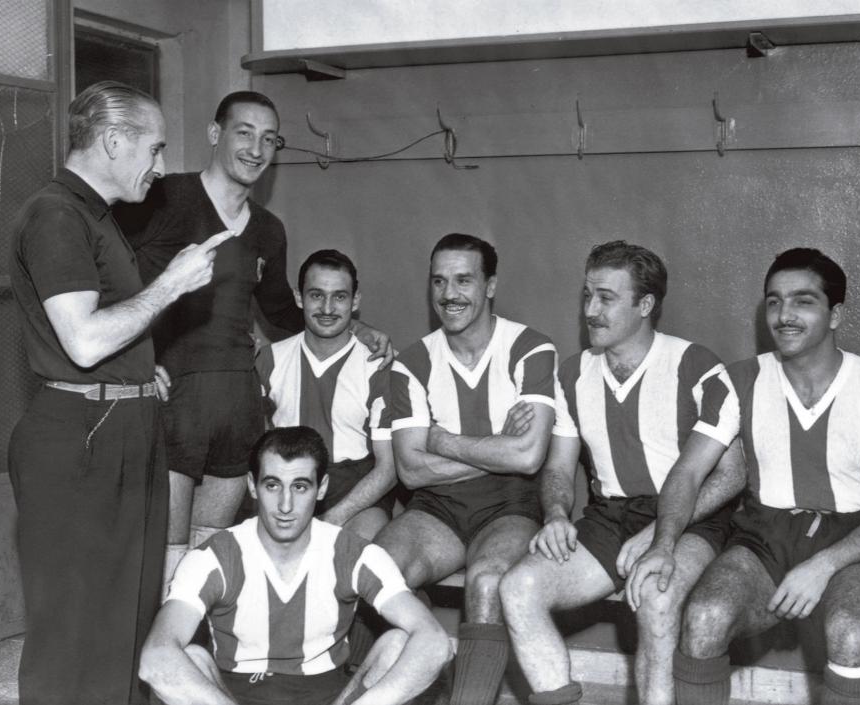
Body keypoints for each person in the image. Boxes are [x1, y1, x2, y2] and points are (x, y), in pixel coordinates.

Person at [8, 81, 231, 705]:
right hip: (79, 438)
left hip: (119, 425)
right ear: (112, 141)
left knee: (126, 618)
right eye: (154, 149)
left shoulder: (95, 216)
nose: (161, 168)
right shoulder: (57, 214)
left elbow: (104, 329)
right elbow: (80, 342)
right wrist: (172, 285)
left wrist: (136, 368)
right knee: (75, 627)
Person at [113, 92, 392, 587]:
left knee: (207, 549)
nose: (256, 148)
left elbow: (284, 310)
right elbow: (108, 277)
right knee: (169, 551)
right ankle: (154, 659)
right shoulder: (164, 198)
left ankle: (199, 655)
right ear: (215, 134)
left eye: (269, 139)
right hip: (175, 395)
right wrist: (133, 359)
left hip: (236, 402)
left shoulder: (268, 229)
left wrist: (357, 326)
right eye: (244, 132)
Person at [631, 247, 860, 705]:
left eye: (803, 301)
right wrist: (663, 545)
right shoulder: (738, 380)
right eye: (773, 301)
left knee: (850, 632)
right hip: (764, 536)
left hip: (852, 541)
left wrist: (823, 565)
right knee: (704, 617)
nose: (784, 314)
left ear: (835, 314)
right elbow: (688, 471)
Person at [498, 241, 745, 705]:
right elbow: (557, 467)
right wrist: (554, 514)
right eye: (587, 295)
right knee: (518, 587)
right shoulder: (572, 376)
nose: (590, 309)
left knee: (655, 596)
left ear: (645, 304)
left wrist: (659, 534)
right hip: (610, 517)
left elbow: (731, 476)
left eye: (606, 298)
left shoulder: (696, 367)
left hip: (692, 518)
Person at [138, 426, 452, 705]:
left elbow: (434, 642)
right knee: (189, 659)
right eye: (272, 485)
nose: (285, 505)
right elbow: (155, 659)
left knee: (397, 644)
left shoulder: (354, 553)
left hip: (331, 698)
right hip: (232, 696)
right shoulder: (214, 558)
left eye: (300, 486)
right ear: (251, 486)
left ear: (322, 487)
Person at [377, 233, 556, 705]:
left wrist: (443, 440)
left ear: (490, 285)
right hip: (436, 507)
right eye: (439, 281)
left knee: (487, 581)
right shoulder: (412, 363)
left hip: (510, 505)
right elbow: (412, 471)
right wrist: (498, 446)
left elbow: (528, 459)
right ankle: (424, 669)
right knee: (378, 570)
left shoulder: (531, 348)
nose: (449, 294)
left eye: (463, 280)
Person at [255, 250, 396, 541]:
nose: (328, 308)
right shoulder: (269, 359)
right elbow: (253, 442)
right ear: (298, 298)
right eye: (317, 295)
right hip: (287, 482)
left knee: (351, 556)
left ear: (355, 301)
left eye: (340, 297)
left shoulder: (379, 366)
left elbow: (389, 468)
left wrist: (330, 520)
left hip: (355, 488)